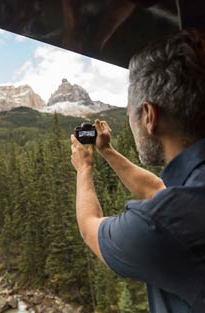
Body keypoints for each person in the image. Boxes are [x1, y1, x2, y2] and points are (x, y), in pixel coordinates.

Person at [71, 30, 205, 313]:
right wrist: (107, 151)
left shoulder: (161, 224)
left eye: (130, 114)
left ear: (149, 116)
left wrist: (84, 167)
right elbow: (157, 189)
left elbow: (89, 227)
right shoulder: (193, 191)